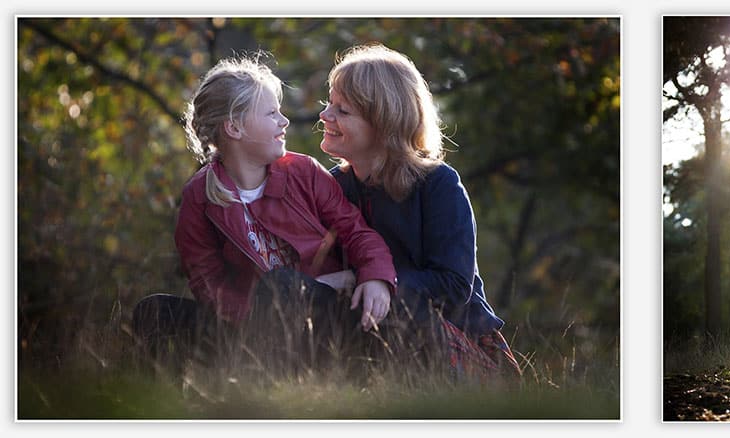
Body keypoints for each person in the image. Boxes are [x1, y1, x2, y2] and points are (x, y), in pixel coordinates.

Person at [132, 53, 397, 375]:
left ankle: (277, 390)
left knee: (281, 283)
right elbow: (207, 282)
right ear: (235, 127)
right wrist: (257, 318)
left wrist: (377, 277)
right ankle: (168, 409)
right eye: (272, 114)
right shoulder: (199, 197)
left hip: (320, 319)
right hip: (246, 329)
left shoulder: (303, 172)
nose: (284, 121)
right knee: (154, 311)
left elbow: (357, 232)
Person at [316, 44, 522, 381]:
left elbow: (455, 285)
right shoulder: (331, 186)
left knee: (394, 308)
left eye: (343, 110)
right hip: (371, 338)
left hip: (453, 342)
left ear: (383, 121)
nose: (325, 115)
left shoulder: (437, 184)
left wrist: (380, 281)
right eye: (329, 103)